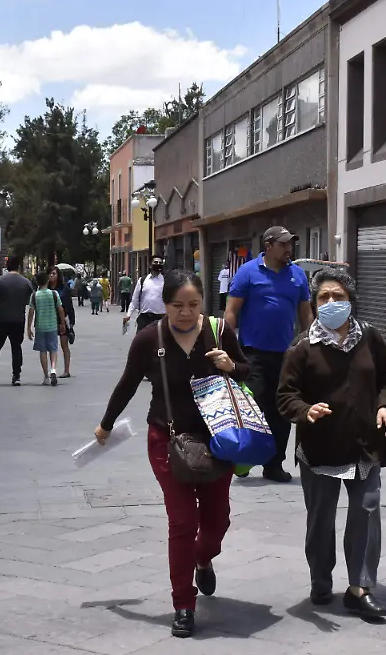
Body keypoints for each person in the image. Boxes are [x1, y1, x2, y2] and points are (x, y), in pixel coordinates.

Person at [94, 270, 249, 638]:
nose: (186, 312)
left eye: (193, 304)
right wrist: (106, 424)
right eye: (178, 305)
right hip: (167, 439)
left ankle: (202, 558)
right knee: (182, 522)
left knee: (217, 521)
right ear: (165, 305)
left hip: (217, 440)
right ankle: (183, 603)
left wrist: (231, 366)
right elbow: (128, 383)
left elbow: (247, 370)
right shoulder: (150, 339)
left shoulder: (219, 332)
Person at [277, 266, 386, 618]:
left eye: (338, 296)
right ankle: (320, 579)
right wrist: (306, 410)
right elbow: (285, 396)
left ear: (351, 301)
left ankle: (360, 587)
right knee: (320, 519)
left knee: (367, 511)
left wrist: (385, 407)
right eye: (324, 297)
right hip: (320, 448)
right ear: (314, 304)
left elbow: (385, 380)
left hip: (364, 444)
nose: (331, 302)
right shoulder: (302, 347)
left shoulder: (370, 338)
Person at [224, 227, 313, 483]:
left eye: (290, 244)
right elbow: (231, 311)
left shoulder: (297, 275)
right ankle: (244, 458)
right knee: (254, 406)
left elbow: (305, 313)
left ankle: (274, 464)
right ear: (268, 245)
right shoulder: (247, 272)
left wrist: (312, 343)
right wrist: (227, 346)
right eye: (284, 244)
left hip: (286, 355)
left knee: (282, 410)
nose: (289, 249)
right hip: (252, 353)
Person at [0, 256, 34, 387]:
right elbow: (31, 299)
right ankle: (16, 376)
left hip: (1, 318)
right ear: (19, 266)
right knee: (16, 347)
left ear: (7, 265)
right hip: (18, 319)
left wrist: (0, 303)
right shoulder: (26, 282)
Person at [27, 271, 65, 386]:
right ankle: (53, 369)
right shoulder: (54, 294)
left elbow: (31, 313)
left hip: (40, 327)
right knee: (53, 349)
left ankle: (46, 376)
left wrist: (28, 328)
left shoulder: (34, 295)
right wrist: (62, 323)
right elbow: (60, 309)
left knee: (43, 351)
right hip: (52, 326)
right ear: (47, 280)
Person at [124, 256, 166, 332]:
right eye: (155, 262)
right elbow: (135, 299)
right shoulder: (142, 280)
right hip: (144, 318)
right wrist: (128, 314)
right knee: (141, 339)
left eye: (160, 263)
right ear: (150, 265)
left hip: (160, 318)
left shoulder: (165, 281)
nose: (158, 264)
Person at [47, 267, 76, 378]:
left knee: (64, 345)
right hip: (50, 318)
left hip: (63, 318)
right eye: (50, 273)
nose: (51, 275)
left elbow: (69, 306)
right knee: (51, 346)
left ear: (58, 275)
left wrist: (70, 322)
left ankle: (66, 370)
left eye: (54, 273)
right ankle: (53, 370)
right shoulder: (46, 288)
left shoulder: (64, 289)